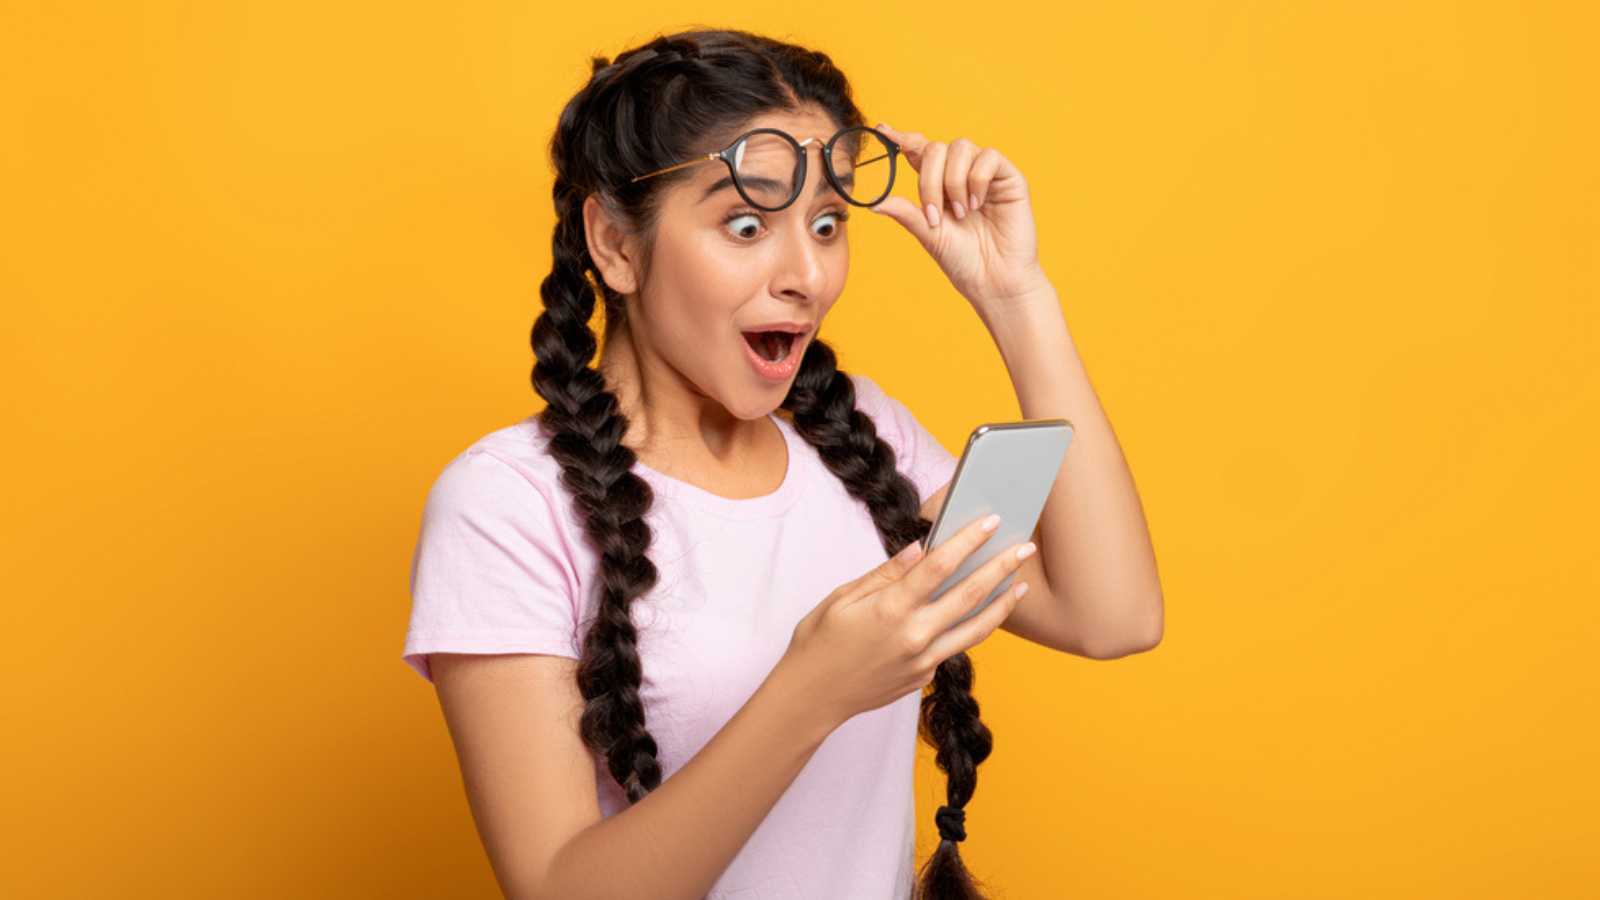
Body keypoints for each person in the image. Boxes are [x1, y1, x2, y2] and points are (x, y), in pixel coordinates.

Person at [402, 27, 1163, 900]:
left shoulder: (862, 437)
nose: (808, 273)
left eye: (830, 223)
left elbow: (1114, 616)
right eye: (747, 222)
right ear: (615, 244)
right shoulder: (505, 504)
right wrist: (815, 689)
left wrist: (1015, 294)